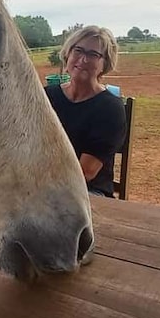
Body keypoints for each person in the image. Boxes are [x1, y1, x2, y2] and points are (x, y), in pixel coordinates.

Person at [45, 26, 128, 198]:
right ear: (68, 54)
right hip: (39, 186)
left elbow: (85, 173)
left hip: (88, 192)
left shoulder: (110, 109)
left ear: (104, 64)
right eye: (78, 50)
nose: (83, 60)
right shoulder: (46, 96)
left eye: (93, 55)